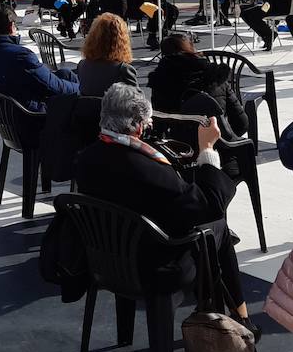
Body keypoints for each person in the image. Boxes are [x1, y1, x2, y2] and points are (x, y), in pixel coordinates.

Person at [75, 83, 256, 331]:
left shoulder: (86, 159)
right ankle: (240, 320)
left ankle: (230, 313)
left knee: (209, 229)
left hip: (105, 260)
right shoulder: (146, 171)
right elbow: (211, 205)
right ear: (138, 126)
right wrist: (207, 150)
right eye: (147, 123)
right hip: (155, 265)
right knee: (219, 227)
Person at [0, 4, 78, 112]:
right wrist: (82, 87)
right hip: (33, 115)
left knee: (65, 74)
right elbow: (53, 86)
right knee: (82, 98)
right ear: (11, 26)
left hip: (9, 112)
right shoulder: (20, 56)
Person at [147, 32, 247, 144]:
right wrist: (226, 138)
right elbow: (242, 123)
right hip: (220, 145)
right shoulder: (215, 75)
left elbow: (159, 123)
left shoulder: (159, 80)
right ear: (191, 48)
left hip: (180, 149)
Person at [75, 12, 137, 97]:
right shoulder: (123, 70)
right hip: (113, 110)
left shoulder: (82, 65)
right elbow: (138, 103)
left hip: (87, 110)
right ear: (122, 40)